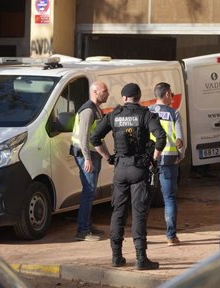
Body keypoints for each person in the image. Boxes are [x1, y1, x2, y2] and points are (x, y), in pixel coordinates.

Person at [91, 83, 166, 270]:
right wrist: (153, 161)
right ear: (138, 97)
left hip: (120, 169)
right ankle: (141, 259)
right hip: (139, 169)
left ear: (124, 98)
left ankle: (116, 257)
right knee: (139, 214)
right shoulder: (145, 114)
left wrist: (108, 157)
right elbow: (161, 137)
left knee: (118, 213)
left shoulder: (114, 115)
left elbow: (94, 138)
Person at [70, 81, 110, 241]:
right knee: (88, 191)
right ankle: (83, 230)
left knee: (90, 192)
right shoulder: (88, 110)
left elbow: (97, 137)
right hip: (85, 155)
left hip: (93, 155)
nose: (107, 93)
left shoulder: (96, 109)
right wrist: (87, 158)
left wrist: (107, 156)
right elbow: (83, 137)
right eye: (104, 90)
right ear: (95, 92)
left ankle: (87, 225)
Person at [148, 82, 184, 246]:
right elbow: (180, 141)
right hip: (169, 159)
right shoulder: (174, 113)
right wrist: (180, 155)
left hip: (149, 160)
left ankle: (140, 236)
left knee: (141, 198)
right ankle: (171, 236)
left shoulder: (147, 112)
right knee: (169, 198)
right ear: (168, 94)